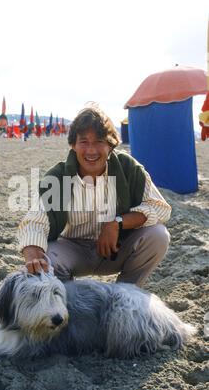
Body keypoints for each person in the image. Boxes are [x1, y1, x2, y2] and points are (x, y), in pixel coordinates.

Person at [17, 105, 171, 287]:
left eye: (99, 141)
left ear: (111, 144)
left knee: (158, 235)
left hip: (116, 248)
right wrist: (34, 256)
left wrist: (117, 223)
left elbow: (159, 208)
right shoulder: (57, 177)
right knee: (46, 260)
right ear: (73, 145)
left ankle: (126, 293)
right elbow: (34, 222)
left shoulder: (128, 168)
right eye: (84, 142)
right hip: (73, 249)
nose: (91, 150)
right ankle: (66, 300)